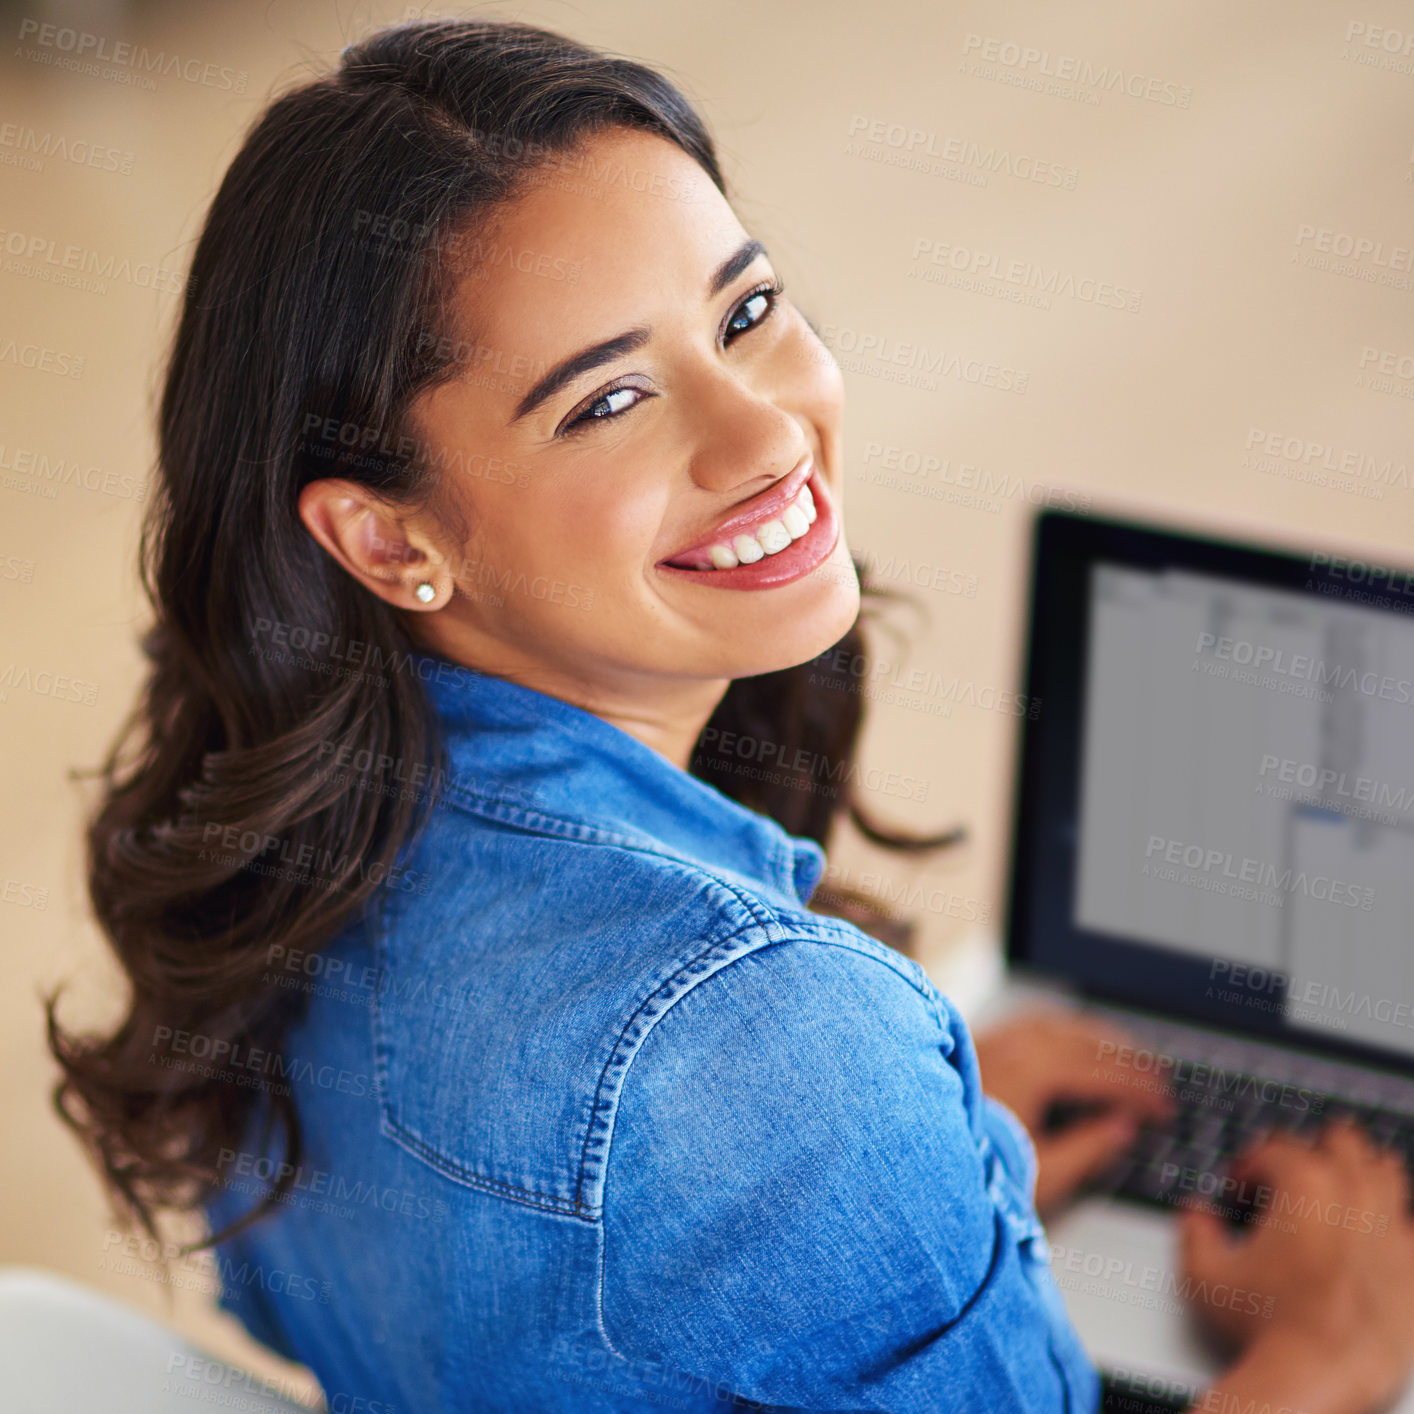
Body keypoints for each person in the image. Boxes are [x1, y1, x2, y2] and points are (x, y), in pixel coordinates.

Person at [47, 19, 1414, 1413]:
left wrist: (928, 1161)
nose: (764, 433)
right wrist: (1325, 1351)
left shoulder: (289, 849)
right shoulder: (766, 1043)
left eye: (744, 311)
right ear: (389, 542)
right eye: (610, 400)